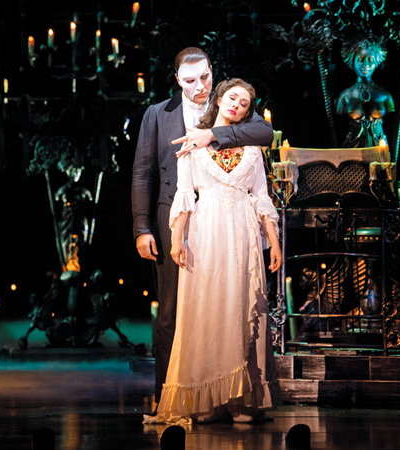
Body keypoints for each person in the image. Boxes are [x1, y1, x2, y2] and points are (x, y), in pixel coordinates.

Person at [131, 48, 273, 406]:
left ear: (212, 71)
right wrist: (141, 227)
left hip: (222, 221)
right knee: (171, 311)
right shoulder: (158, 114)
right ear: (177, 80)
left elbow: (264, 132)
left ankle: (221, 396)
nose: (200, 86)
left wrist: (212, 135)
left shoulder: (229, 105)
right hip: (174, 216)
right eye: (190, 80)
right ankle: (168, 395)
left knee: (222, 305)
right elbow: (142, 173)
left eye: (205, 77)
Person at [336, 36, 395, 148]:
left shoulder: (384, 95)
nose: (366, 65)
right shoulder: (344, 96)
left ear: (376, 62)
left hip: (379, 148)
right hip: (351, 148)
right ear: (353, 61)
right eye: (361, 59)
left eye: (370, 60)